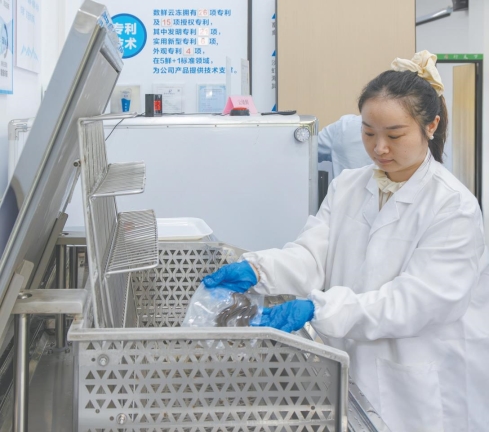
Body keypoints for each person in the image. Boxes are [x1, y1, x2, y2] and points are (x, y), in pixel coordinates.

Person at [202, 50, 489, 432]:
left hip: (422, 377)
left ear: (431, 125)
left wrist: (320, 309)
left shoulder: (453, 206)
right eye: (369, 133)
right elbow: (312, 256)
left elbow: (416, 301)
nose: (379, 148)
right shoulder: (349, 186)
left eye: (394, 135)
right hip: (351, 368)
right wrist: (259, 269)